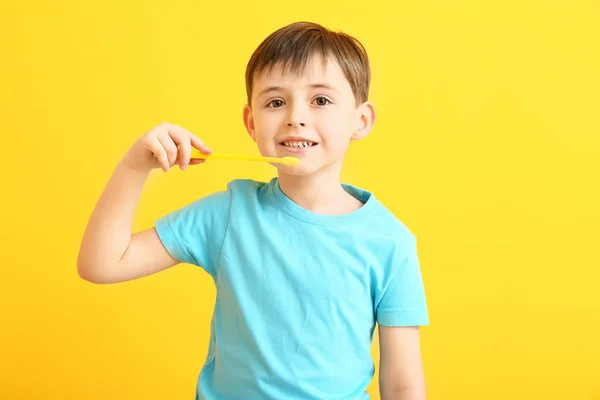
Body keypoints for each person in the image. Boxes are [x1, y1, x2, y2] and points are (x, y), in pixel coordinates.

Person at [78, 21, 429, 400]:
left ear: (360, 121)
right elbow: (102, 264)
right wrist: (135, 165)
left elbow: (403, 384)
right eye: (275, 102)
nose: (295, 116)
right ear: (251, 122)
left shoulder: (391, 242)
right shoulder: (230, 214)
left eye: (321, 100)